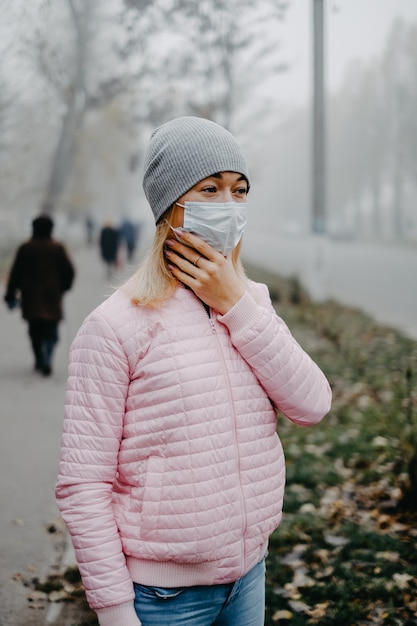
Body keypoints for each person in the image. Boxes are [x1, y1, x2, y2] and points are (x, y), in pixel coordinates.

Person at [55, 116, 332, 626]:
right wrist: (116, 612)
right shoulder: (115, 327)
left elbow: (312, 404)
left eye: (239, 190)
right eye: (210, 189)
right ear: (171, 206)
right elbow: (82, 485)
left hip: (249, 576)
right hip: (161, 599)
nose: (229, 204)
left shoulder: (252, 305)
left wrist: (236, 305)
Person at [4, 214, 75, 376]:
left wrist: (10, 294)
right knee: (52, 332)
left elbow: (15, 274)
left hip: (30, 297)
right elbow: (69, 271)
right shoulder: (57, 248)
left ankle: (39, 359)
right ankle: (47, 358)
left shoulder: (26, 248)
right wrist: (64, 287)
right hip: (53, 296)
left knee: (34, 330)